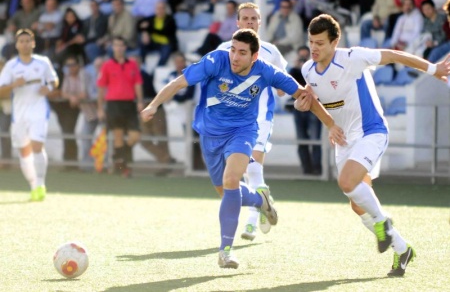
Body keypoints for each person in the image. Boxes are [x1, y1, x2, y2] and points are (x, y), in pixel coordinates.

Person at [141, 28, 340, 269]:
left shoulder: (266, 71)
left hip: (242, 132)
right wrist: (153, 105)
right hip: (210, 134)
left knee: (232, 179)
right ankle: (259, 200)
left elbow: (303, 94)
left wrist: (330, 124)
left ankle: (225, 251)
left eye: (242, 53)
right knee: (225, 191)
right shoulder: (216, 60)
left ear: (254, 57)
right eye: (233, 50)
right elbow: (179, 82)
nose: (234, 57)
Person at [297, 14, 450, 277]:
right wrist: (328, 123)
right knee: (358, 204)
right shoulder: (307, 70)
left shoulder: (353, 58)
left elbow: (394, 55)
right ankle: (402, 249)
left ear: (335, 42)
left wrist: (433, 69)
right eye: (311, 42)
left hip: (372, 132)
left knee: (346, 183)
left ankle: (383, 223)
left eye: (320, 43)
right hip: (345, 139)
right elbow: (313, 99)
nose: (314, 48)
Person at [217, 2, 288, 241]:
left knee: (253, 167)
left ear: (260, 22)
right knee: (235, 175)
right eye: (245, 18)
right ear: (237, 22)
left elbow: (282, 88)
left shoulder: (270, 52)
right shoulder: (224, 50)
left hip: (260, 119)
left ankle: (250, 222)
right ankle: (263, 204)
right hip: (230, 121)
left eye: (254, 18)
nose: (250, 21)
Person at [0, 28, 59, 201]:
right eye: (21, 41)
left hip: (38, 110)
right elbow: (1, 89)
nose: (25, 44)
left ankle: (40, 184)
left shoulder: (42, 63)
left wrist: (48, 88)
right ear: (17, 45)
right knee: (24, 151)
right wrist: (13, 85)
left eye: (28, 41)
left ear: (33, 43)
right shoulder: (11, 66)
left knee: (37, 146)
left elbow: (54, 80)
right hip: (19, 113)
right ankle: (33, 184)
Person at [97, 36, 144, 178]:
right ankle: (123, 168)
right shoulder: (107, 65)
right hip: (113, 104)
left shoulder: (132, 64)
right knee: (118, 136)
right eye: (116, 45)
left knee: (135, 136)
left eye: (121, 45)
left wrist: (140, 101)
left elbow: (137, 83)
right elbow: (101, 87)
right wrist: (100, 107)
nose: (119, 48)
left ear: (125, 47)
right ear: (113, 47)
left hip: (129, 104)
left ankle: (117, 157)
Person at [288, 46, 322, 175]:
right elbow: (289, 85)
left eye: (305, 57)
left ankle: (317, 168)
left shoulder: (314, 69)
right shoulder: (295, 71)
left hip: (314, 107)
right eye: (301, 56)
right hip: (299, 108)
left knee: (315, 140)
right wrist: (296, 68)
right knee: (302, 139)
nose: (303, 59)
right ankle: (306, 169)